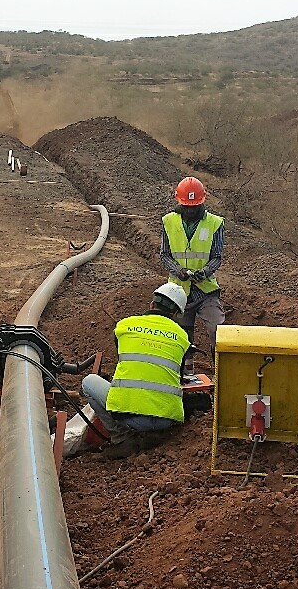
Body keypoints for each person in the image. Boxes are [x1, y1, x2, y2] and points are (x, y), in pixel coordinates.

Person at [81, 283, 190, 458]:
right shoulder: (182, 336)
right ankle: (153, 435)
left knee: (89, 382)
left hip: (130, 417)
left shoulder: (124, 326)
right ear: (176, 314)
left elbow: (125, 359)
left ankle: (121, 438)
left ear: (151, 304)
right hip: (166, 420)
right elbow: (179, 374)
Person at [160, 176, 225, 358]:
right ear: (179, 202)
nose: (190, 210)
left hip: (205, 290)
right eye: (186, 206)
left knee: (218, 331)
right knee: (181, 337)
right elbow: (165, 255)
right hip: (178, 292)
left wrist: (204, 272)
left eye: (194, 206)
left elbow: (216, 257)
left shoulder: (214, 223)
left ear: (201, 203)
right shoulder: (169, 222)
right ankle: (184, 376)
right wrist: (178, 271)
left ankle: (220, 371)